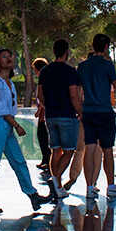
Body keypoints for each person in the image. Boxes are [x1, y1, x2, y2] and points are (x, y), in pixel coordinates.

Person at [0, 48, 49, 216]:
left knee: (18, 161)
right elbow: (0, 110)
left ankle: (32, 195)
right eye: (3, 56)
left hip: (6, 127)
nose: (8, 59)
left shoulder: (10, 83)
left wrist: (12, 125)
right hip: (0, 125)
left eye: (10, 56)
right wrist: (16, 125)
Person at [77, 33, 116, 199]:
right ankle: (110, 185)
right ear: (106, 47)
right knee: (107, 150)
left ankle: (89, 186)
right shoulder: (107, 65)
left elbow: (79, 89)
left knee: (89, 148)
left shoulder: (82, 66)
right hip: (104, 111)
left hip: (88, 111)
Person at [37, 39, 82, 199]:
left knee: (56, 150)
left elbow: (39, 94)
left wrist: (48, 106)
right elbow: (73, 94)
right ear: (66, 52)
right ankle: (56, 181)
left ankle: (57, 187)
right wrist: (80, 111)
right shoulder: (70, 71)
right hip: (67, 115)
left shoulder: (45, 71)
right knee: (69, 150)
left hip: (51, 115)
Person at [31, 57, 51, 172]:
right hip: (42, 116)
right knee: (41, 138)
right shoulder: (43, 79)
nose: (34, 72)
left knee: (44, 139)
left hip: (45, 116)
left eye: (35, 69)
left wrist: (39, 111)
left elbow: (42, 97)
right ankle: (45, 160)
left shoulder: (44, 79)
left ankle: (47, 161)